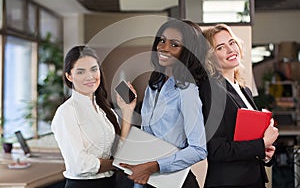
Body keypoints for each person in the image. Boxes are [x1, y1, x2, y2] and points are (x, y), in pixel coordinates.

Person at [119, 19, 208, 188]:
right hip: (149, 179)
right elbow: (147, 135)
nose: (164, 47)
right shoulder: (154, 85)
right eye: (162, 40)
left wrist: (154, 166)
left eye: (174, 45)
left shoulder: (187, 90)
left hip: (173, 181)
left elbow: (199, 149)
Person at [200, 24, 279, 188]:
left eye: (232, 42)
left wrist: (264, 153)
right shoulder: (212, 89)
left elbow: (247, 140)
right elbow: (216, 149)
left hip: (251, 181)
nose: (230, 50)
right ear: (209, 57)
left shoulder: (245, 91)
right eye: (220, 47)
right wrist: (261, 144)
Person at [51, 45, 136, 188]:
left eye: (93, 69)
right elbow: (80, 165)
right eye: (81, 72)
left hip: (109, 183)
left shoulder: (104, 110)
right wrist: (115, 164)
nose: (90, 76)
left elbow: (120, 151)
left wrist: (127, 111)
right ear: (69, 76)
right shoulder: (66, 112)